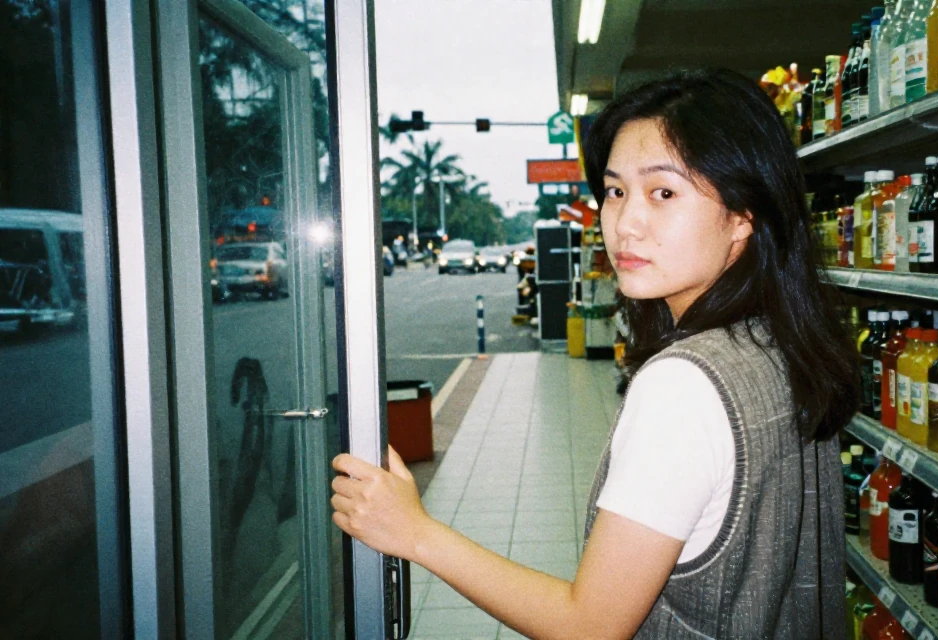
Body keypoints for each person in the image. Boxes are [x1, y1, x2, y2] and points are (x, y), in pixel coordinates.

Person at [330, 68, 860, 638]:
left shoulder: (684, 387)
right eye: (615, 191)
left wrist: (414, 533)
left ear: (742, 217)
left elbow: (591, 625)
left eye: (663, 192)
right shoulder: (779, 344)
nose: (624, 223)